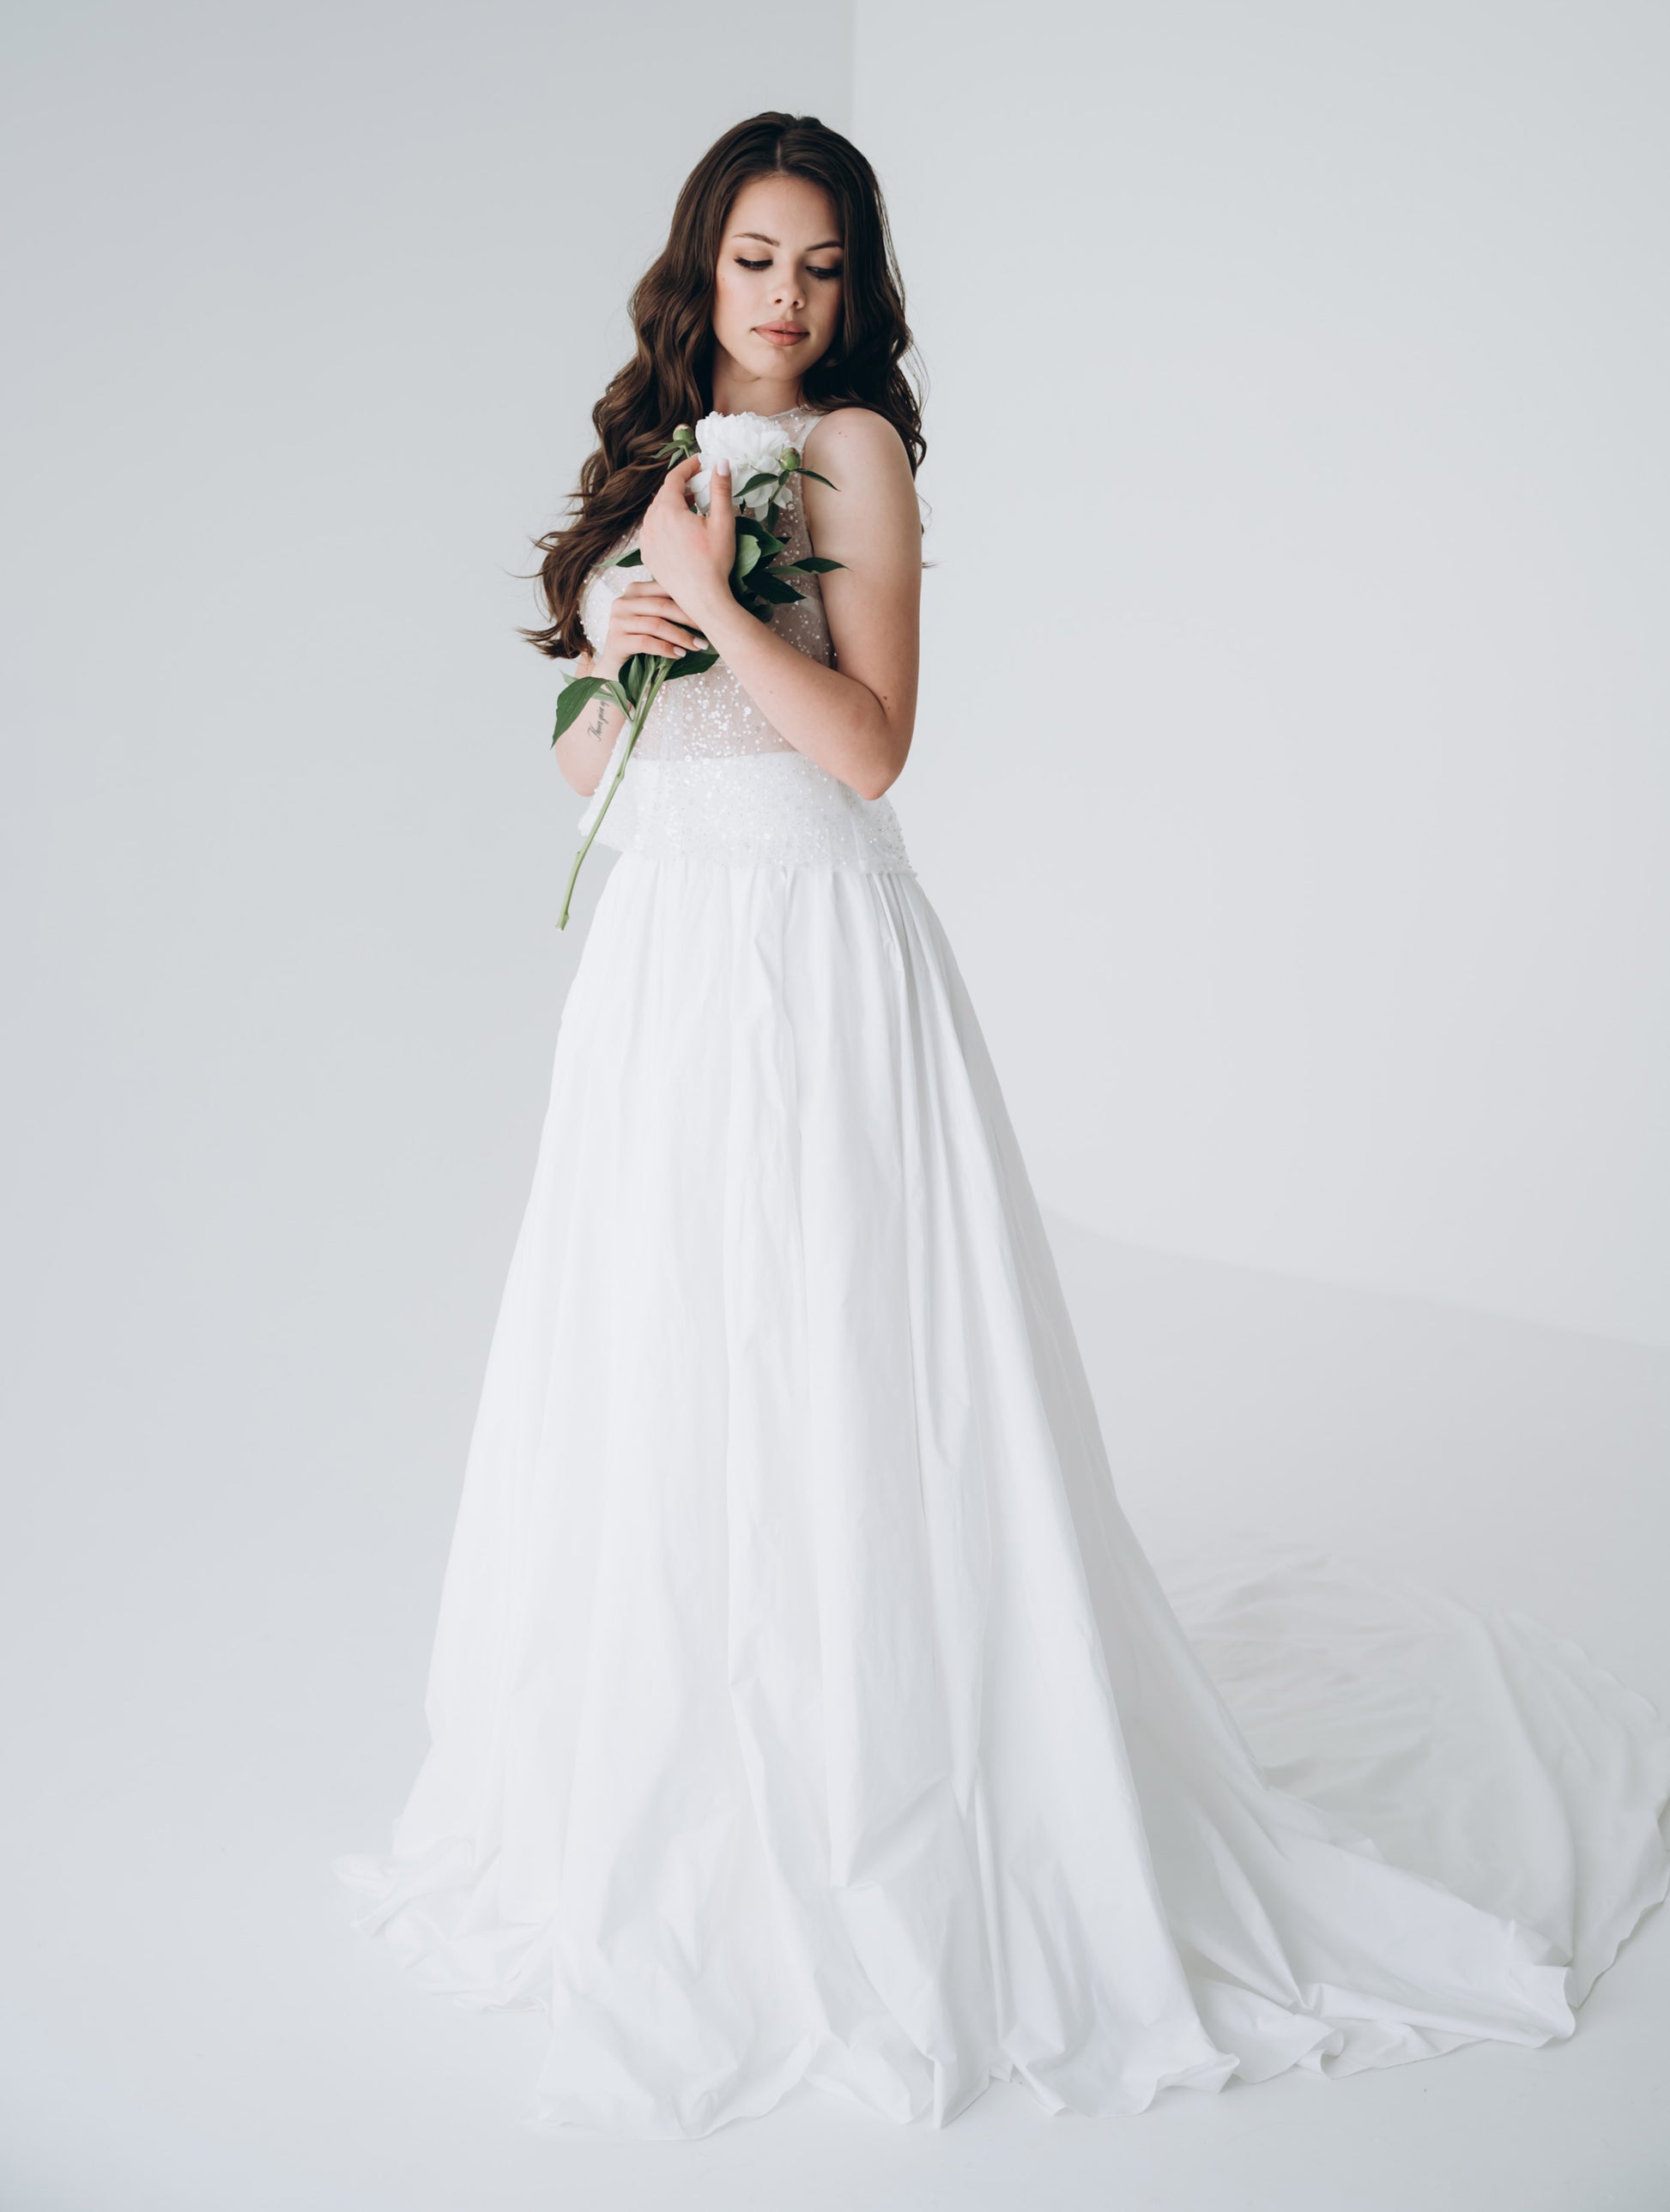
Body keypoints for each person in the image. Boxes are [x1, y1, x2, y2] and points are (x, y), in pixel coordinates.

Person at [338, 112, 1670, 2140]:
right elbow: (613, 769)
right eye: (756, 261)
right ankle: (687, 1779)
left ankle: (880, 1778)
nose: (785, 301)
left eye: (821, 268)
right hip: (664, 978)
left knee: (841, 1367)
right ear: (700, 267)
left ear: (856, 292)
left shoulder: (855, 462)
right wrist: (615, 654)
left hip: (809, 954)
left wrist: (718, 588)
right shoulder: (657, 460)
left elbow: (867, 753)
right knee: (666, 1366)